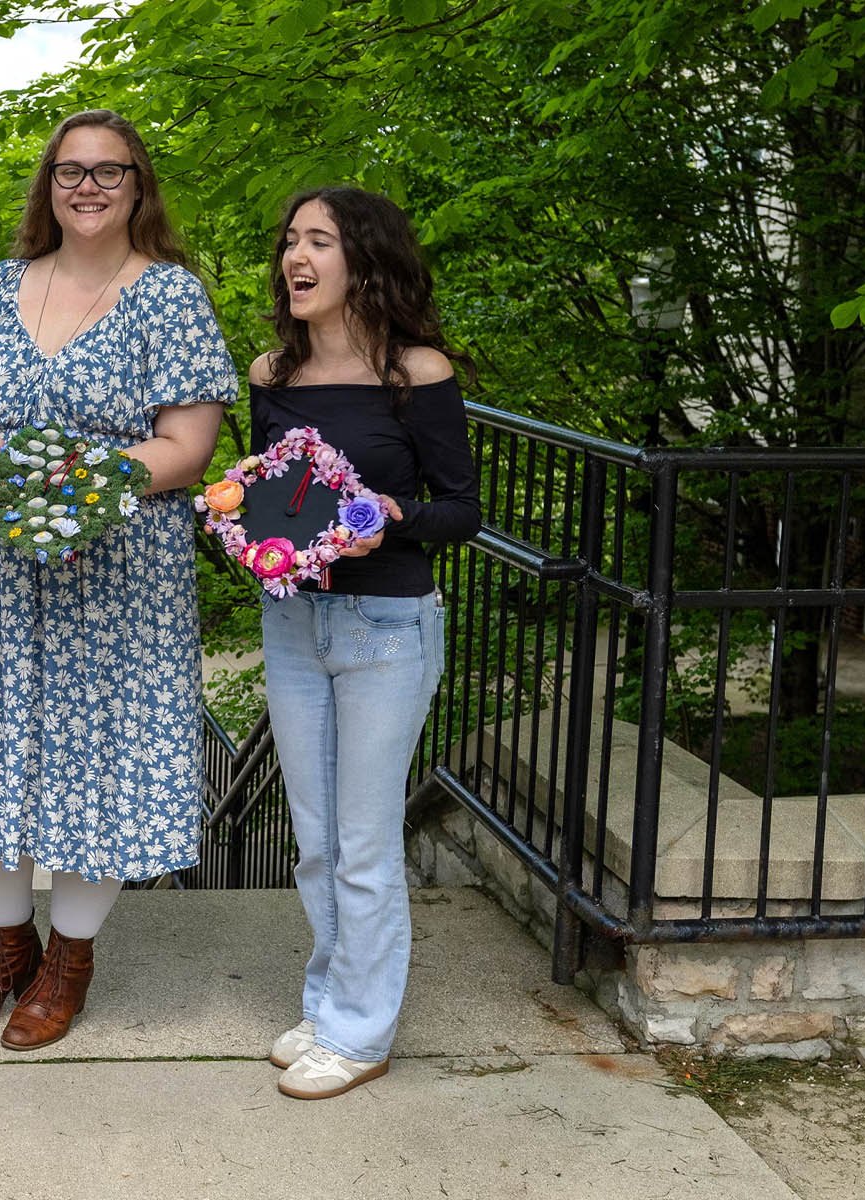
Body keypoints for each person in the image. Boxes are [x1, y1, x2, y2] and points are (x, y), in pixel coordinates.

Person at [0, 110, 236, 1050]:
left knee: (102, 761)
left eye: (109, 171)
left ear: (140, 187)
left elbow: (190, 444)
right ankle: (4, 949)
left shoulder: (171, 296)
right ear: (47, 187)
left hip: (120, 573)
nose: (87, 186)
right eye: (69, 171)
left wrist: (94, 477)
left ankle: (69, 960)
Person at [247, 187, 479, 1099]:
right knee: (315, 838)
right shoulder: (271, 373)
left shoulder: (415, 372)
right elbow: (283, 494)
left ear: (365, 260)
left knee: (366, 843)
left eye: (319, 241)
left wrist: (395, 517)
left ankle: (360, 1035)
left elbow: (461, 510)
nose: (295, 257)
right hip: (295, 621)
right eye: (289, 239)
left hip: (388, 626)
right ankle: (333, 1001)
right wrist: (244, 521)